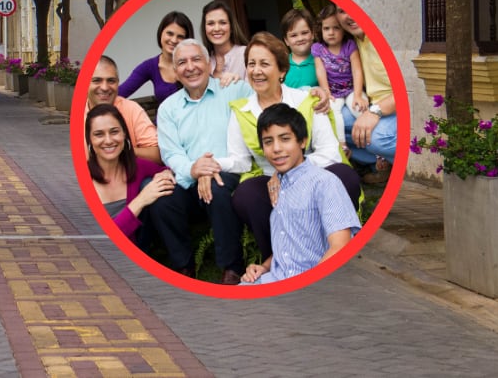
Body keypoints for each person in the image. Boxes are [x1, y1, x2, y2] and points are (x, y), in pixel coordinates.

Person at [224, 32, 359, 263]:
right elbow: (240, 160)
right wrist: (208, 165)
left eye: (264, 64)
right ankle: (276, 260)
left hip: (311, 174)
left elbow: (329, 151)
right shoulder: (241, 111)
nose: (256, 71)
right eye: (251, 64)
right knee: (246, 195)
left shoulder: (306, 100)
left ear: (282, 71)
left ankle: (337, 249)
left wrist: (289, 174)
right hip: (268, 180)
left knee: (344, 176)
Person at [151, 39, 254, 284]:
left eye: (196, 59)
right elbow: (171, 152)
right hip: (188, 176)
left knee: (218, 190)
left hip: (227, 171)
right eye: (182, 63)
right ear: (175, 72)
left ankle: (232, 267)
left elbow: (261, 110)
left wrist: (209, 169)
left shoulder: (234, 90)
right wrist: (194, 169)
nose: (190, 67)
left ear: (209, 64)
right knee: (162, 199)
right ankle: (184, 266)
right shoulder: (168, 109)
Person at [241, 103, 361, 284]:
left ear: (303, 141)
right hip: (272, 278)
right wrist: (264, 267)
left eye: (285, 139)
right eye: (268, 142)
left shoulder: (324, 183)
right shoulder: (277, 187)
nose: (276, 148)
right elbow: (292, 246)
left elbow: (340, 246)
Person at [86, 104, 176, 242]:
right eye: (99, 134)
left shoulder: (136, 166)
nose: (109, 140)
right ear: (90, 141)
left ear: (124, 134)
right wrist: (140, 200)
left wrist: (165, 174)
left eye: (114, 132)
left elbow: (164, 169)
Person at [336, 8, 397, 185]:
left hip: (396, 110)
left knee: (376, 139)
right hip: (373, 105)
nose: (349, 15)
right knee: (334, 122)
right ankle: (382, 163)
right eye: (342, 11)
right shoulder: (355, 40)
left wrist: (374, 113)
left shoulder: (385, 39)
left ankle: (393, 162)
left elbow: (407, 93)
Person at [84, 56, 161, 163]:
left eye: (111, 81)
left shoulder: (131, 109)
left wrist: (124, 150)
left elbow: (157, 154)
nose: (105, 87)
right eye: (97, 80)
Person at [312, 3, 364, 156]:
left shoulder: (349, 46)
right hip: (333, 91)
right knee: (334, 112)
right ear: (320, 30)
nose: (331, 33)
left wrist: (358, 95)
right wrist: (326, 91)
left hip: (351, 89)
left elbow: (357, 70)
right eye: (326, 28)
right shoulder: (318, 49)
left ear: (343, 29)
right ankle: (343, 145)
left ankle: (376, 150)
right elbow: (320, 71)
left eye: (336, 28)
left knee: (359, 109)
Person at [118, 11, 196, 107]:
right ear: (161, 33)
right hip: (163, 121)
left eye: (180, 37)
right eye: (170, 34)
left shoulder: (196, 64)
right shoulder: (149, 66)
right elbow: (119, 94)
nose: (174, 40)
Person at [201, 0, 249, 79]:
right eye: (211, 23)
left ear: (231, 27)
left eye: (222, 23)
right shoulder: (203, 61)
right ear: (205, 28)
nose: (216, 29)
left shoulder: (246, 54)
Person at [281, 8, 318, 89]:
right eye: (294, 35)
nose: (300, 38)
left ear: (313, 34)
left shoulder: (321, 61)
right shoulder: (281, 65)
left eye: (304, 33)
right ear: (286, 40)